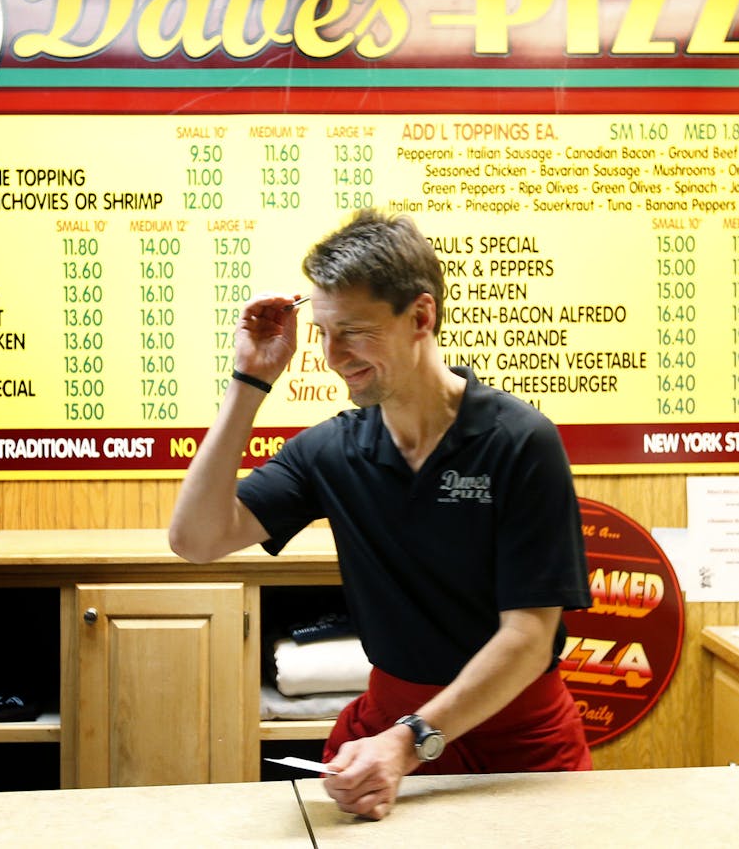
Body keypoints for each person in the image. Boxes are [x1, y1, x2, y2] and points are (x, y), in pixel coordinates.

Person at [169, 209, 593, 820]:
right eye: (322, 332)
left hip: (518, 739)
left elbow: (527, 639)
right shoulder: (332, 450)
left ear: (421, 317)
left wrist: (408, 742)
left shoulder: (519, 441)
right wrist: (250, 379)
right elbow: (196, 539)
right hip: (389, 728)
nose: (333, 355)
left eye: (355, 331)